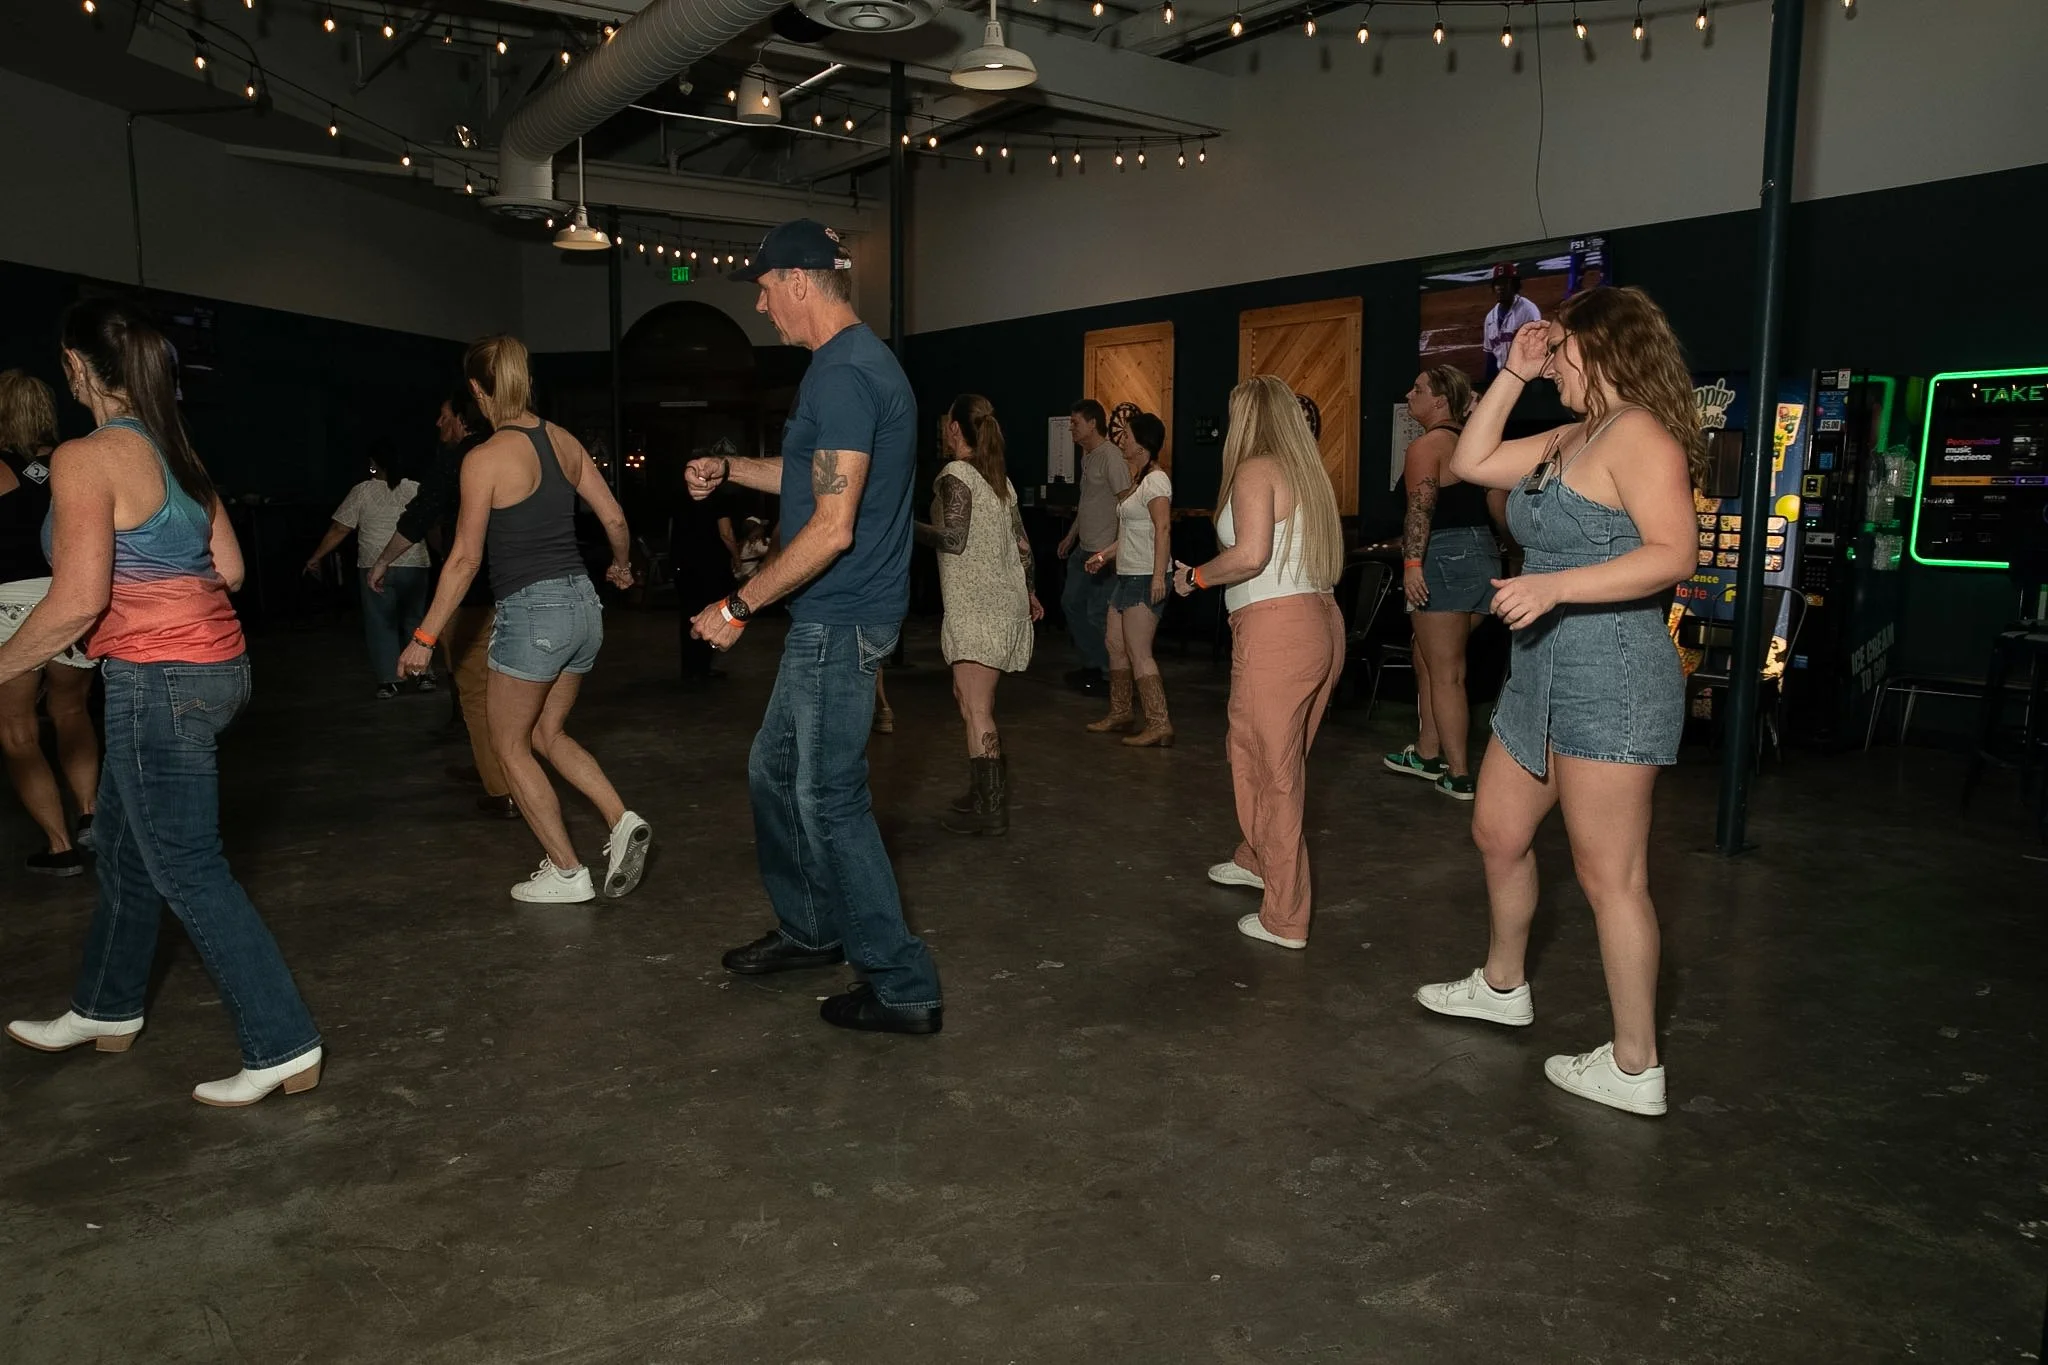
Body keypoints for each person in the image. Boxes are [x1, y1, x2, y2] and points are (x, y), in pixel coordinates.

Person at [2, 299, 322, 1107]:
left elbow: (78, 600)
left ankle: (283, 1042)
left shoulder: (87, 457)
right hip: (218, 670)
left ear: (75, 367)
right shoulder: (174, 446)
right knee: (122, 846)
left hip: (159, 683)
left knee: (187, 867)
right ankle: (104, 1005)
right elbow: (232, 570)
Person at [1414, 286, 1702, 1118]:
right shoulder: (1575, 434)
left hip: (1613, 672)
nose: (1552, 367)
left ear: (1601, 346)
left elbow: (1674, 553)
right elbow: (1471, 461)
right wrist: (1512, 370)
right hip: (1541, 670)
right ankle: (1503, 984)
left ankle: (1636, 1064)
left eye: (1561, 349)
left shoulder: (1639, 433)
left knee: (1611, 877)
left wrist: (1556, 585)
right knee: (1498, 830)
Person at [684, 217, 942, 1037]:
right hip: (833, 617)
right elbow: (814, 476)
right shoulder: (848, 365)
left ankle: (901, 983)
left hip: (840, 617)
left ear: (799, 281)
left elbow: (832, 528)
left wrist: (737, 606)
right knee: (774, 770)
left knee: (830, 797)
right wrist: (731, 468)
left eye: (765, 289)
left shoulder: (844, 375)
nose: (762, 306)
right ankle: (811, 927)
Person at [394, 335, 650, 905]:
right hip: (584, 606)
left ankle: (567, 871)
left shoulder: (484, 458)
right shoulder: (563, 440)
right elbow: (613, 516)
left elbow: (464, 559)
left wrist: (424, 636)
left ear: (477, 389)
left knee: (508, 744)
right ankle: (621, 819)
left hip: (534, 615)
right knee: (546, 734)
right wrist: (621, 566)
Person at [1171, 376, 1344, 950]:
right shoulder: (1307, 472)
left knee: (1269, 771)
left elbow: (1250, 556)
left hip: (1278, 632)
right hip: (1318, 622)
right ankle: (1256, 858)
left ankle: (1285, 917)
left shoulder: (1255, 469)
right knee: (1270, 755)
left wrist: (1195, 577)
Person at [368, 390, 516, 818]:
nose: (438, 423)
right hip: (518, 591)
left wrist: (383, 561)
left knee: (476, 691)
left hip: (474, 595)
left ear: (462, 420)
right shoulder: (510, 452)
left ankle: (502, 788)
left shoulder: (461, 460)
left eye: (444, 415)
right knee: (510, 691)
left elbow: (421, 514)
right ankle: (499, 768)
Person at [916, 394, 1044, 836]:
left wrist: (901, 527)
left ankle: (991, 809)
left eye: (946, 422)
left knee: (977, 707)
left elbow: (952, 539)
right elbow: (1023, 544)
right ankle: (981, 792)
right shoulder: (999, 481)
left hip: (978, 607)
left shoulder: (956, 475)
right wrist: (1029, 590)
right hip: (1000, 601)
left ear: (955, 429)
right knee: (967, 698)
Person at [1384, 364, 1506, 800]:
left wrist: (1412, 563)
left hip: (1444, 555)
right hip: (1482, 555)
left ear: (1439, 400)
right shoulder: (1475, 443)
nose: (1409, 394)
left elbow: (1419, 511)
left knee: (1447, 671)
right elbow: (1499, 506)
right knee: (1427, 655)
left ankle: (1458, 774)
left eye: (1418, 389)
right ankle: (1427, 751)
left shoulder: (1427, 446)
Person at [0, 370, 99, 875]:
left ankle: (60, 848)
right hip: (70, 598)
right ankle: (90, 817)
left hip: (9, 604)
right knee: (72, 712)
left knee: (17, 731)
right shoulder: (72, 461)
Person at [304, 437, 434, 699]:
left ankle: (389, 681)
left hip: (374, 564)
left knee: (381, 624)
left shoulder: (362, 491)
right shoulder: (416, 489)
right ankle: (423, 674)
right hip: (415, 563)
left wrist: (316, 557)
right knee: (416, 620)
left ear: (373, 464)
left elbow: (340, 528)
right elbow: (432, 526)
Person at [1083, 412, 1173, 748]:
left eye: (1128, 436)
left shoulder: (1156, 481)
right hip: (1127, 575)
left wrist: (1158, 576)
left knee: (1138, 650)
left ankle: (1159, 723)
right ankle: (1121, 712)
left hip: (1145, 577)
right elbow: (1133, 535)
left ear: (1143, 444)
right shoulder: (1141, 481)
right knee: (1115, 644)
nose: (1122, 441)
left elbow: (1163, 528)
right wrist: (1104, 555)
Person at [1056, 400, 1129, 694]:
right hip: (1084, 549)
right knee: (1071, 603)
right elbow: (1087, 502)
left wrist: (1115, 550)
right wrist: (1070, 536)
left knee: (1097, 613)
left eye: (1075, 423)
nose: (1071, 428)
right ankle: (1094, 664)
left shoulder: (1111, 457)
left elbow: (1126, 504)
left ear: (1092, 423)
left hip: (1103, 552)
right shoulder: (1087, 458)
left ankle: (1111, 675)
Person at [670, 437, 740, 686]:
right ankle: (702, 667)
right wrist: (737, 557)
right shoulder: (718, 496)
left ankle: (690, 669)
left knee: (688, 615)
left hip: (685, 563)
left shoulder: (680, 495)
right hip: (711, 564)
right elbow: (726, 533)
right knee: (710, 613)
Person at [1480, 263, 1543, 382]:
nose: (1500, 288)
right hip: (1505, 380)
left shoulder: (1528, 311)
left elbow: (1537, 351)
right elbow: (1491, 358)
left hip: (1528, 378)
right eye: (1497, 284)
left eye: (1505, 283)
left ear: (1515, 286)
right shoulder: (1490, 318)